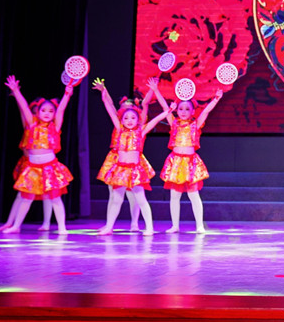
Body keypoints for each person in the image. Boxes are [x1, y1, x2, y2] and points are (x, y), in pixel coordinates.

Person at [93, 78, 171, 235]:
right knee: (116, 200)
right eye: (126, 118)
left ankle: (149, 227)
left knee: (141, 200)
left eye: (133, 118)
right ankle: (109, 227)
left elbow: (156, 120)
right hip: (120, 170)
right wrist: (104, 91)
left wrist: (168, 111)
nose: (129, 121)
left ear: (138, 119)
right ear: (121, 120)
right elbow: (109, 109)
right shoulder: (119, 129)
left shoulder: (141, 131)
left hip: (135, 171)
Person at [3, 75, 73, 234]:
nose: (47, 113)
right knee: (26, 198)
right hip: (33, 167)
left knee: (55, 198)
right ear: (38, 112)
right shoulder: (32, 124)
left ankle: (62, 227)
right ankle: (16, 226)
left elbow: (62, 109)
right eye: (43, 110)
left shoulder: (55, 126)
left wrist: (67, 95)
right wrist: (16, 91)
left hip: (50, 167)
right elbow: (24, 108)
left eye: (51, 111)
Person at [151, 82, 223, 233]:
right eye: (180, 109)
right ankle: (175, 226)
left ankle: (199, 225)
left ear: (192, 111)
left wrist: (216, 99)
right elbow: (164, 107)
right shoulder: (174, 123)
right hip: (176, 162)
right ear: (176, 110)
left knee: (194, 195)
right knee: (174, 196)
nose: (183, 112)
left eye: (187, 109)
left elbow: (206, 111)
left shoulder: (196, 125)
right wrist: (156, 90)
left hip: (190, 163)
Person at [0, 98, 53, 231]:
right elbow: (23, 110)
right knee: (22, 195)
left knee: (48, 193)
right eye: (34, 112)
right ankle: (11, 223)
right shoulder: (29, 125)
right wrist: (17, 95)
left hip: (43, 163)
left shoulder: (48, 128)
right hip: (29, 163)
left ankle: (46, 223)